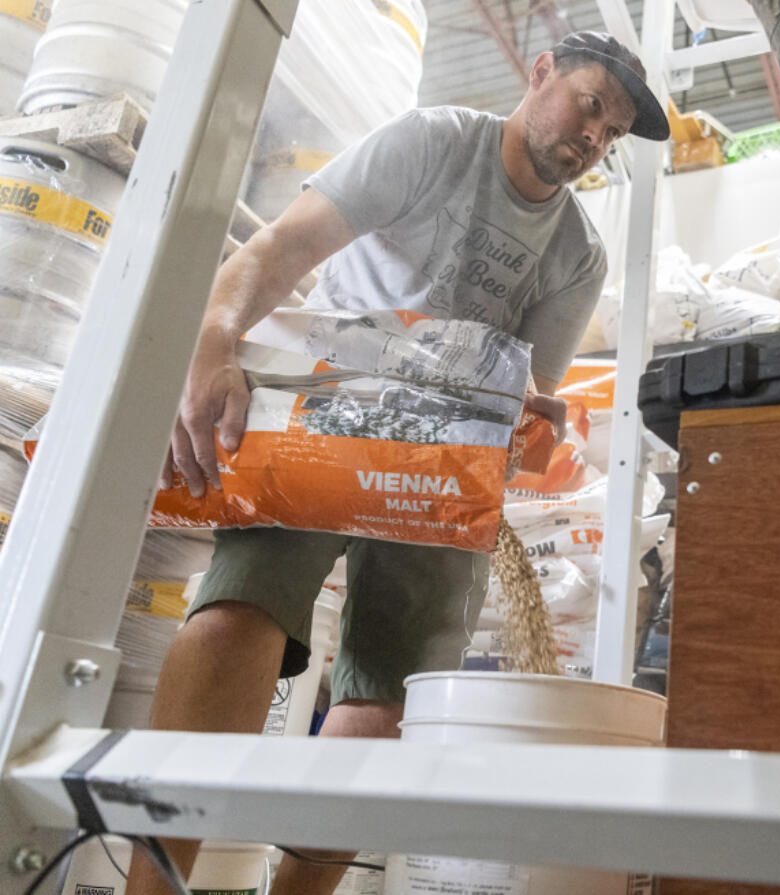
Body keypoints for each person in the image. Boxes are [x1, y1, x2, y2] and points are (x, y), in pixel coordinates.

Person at [127, 31, 668, 895]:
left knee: (390, 699)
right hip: (335, 406)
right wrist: (216, 342)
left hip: (446, 459)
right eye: (591, 104)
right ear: (540, 74)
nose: (594, 137)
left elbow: (525, 392)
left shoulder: (579, 255)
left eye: (612, 133)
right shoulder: (433, 142)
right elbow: (285, 248)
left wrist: (536, 426)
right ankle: (151, 887)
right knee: (240, 611)